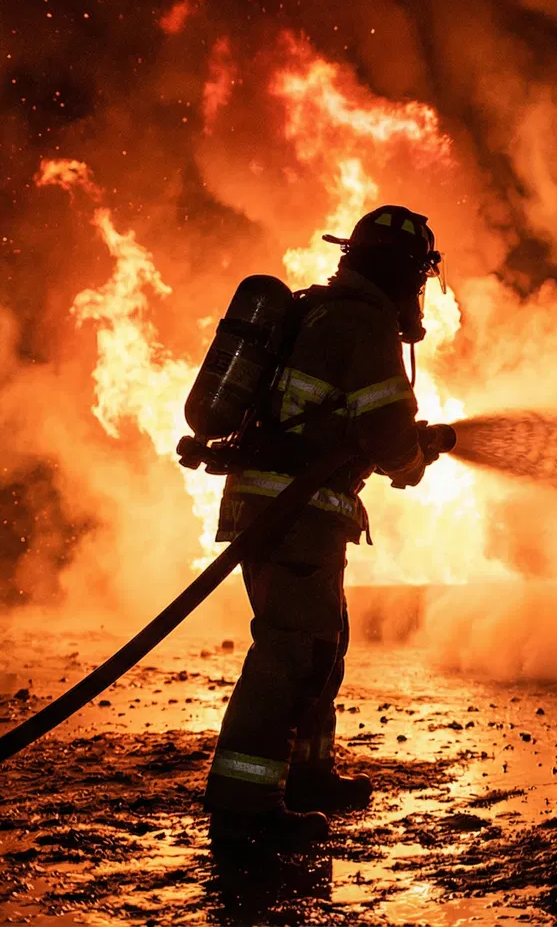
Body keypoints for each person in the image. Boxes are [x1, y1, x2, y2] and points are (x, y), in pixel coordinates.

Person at [204, 205, 455, 840]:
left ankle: (307, 777)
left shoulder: (321, 309)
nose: (419, 292)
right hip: (295, 511)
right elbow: (388, 434)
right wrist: (416, 454)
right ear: (405, 273)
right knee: (292, 650)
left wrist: (397, 444)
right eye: (419, 275)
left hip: (284, 507)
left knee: (321, 646)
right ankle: (244, 808)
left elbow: (344, 419)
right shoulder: (363, 324)